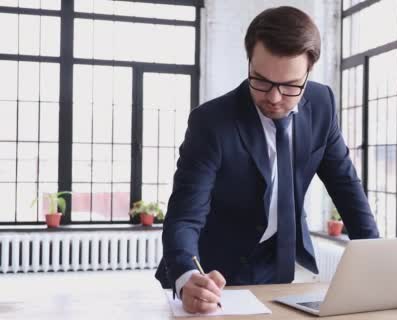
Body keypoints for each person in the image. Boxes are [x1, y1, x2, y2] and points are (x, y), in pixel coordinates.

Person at [155, 6, 379, 314]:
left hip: (281, 266)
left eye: (289, 86)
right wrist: (187, 276)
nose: (274, 97)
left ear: (309, 70)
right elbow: (184, 215)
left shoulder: (322, 104)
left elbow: (346, 186)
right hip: (215, 275)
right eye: (261, 80)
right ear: (249, 61)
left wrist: (380, 260)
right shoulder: (212, 123)